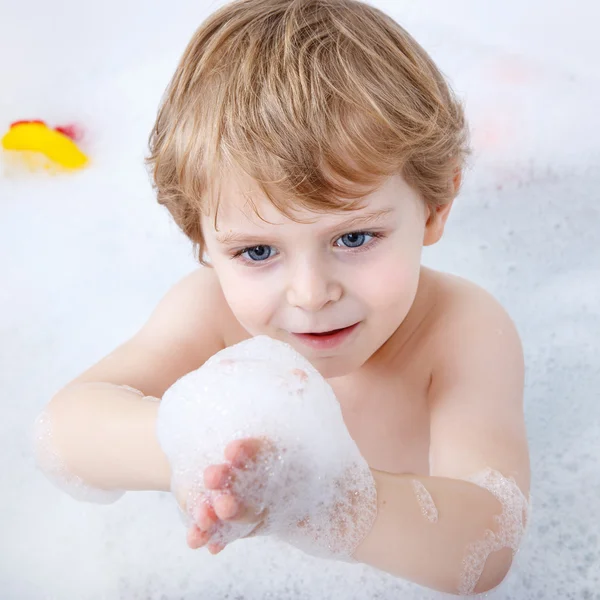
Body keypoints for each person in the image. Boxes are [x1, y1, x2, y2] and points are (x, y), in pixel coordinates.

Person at [35, 0, 531, 595]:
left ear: (436, 206)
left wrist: (323, 500)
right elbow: (62, 433)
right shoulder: (209, 313)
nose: (311, 293)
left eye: (353, 238)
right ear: (201, 240)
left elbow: (486, 544)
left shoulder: (459, 330)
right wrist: (197, 451)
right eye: (258, 253)